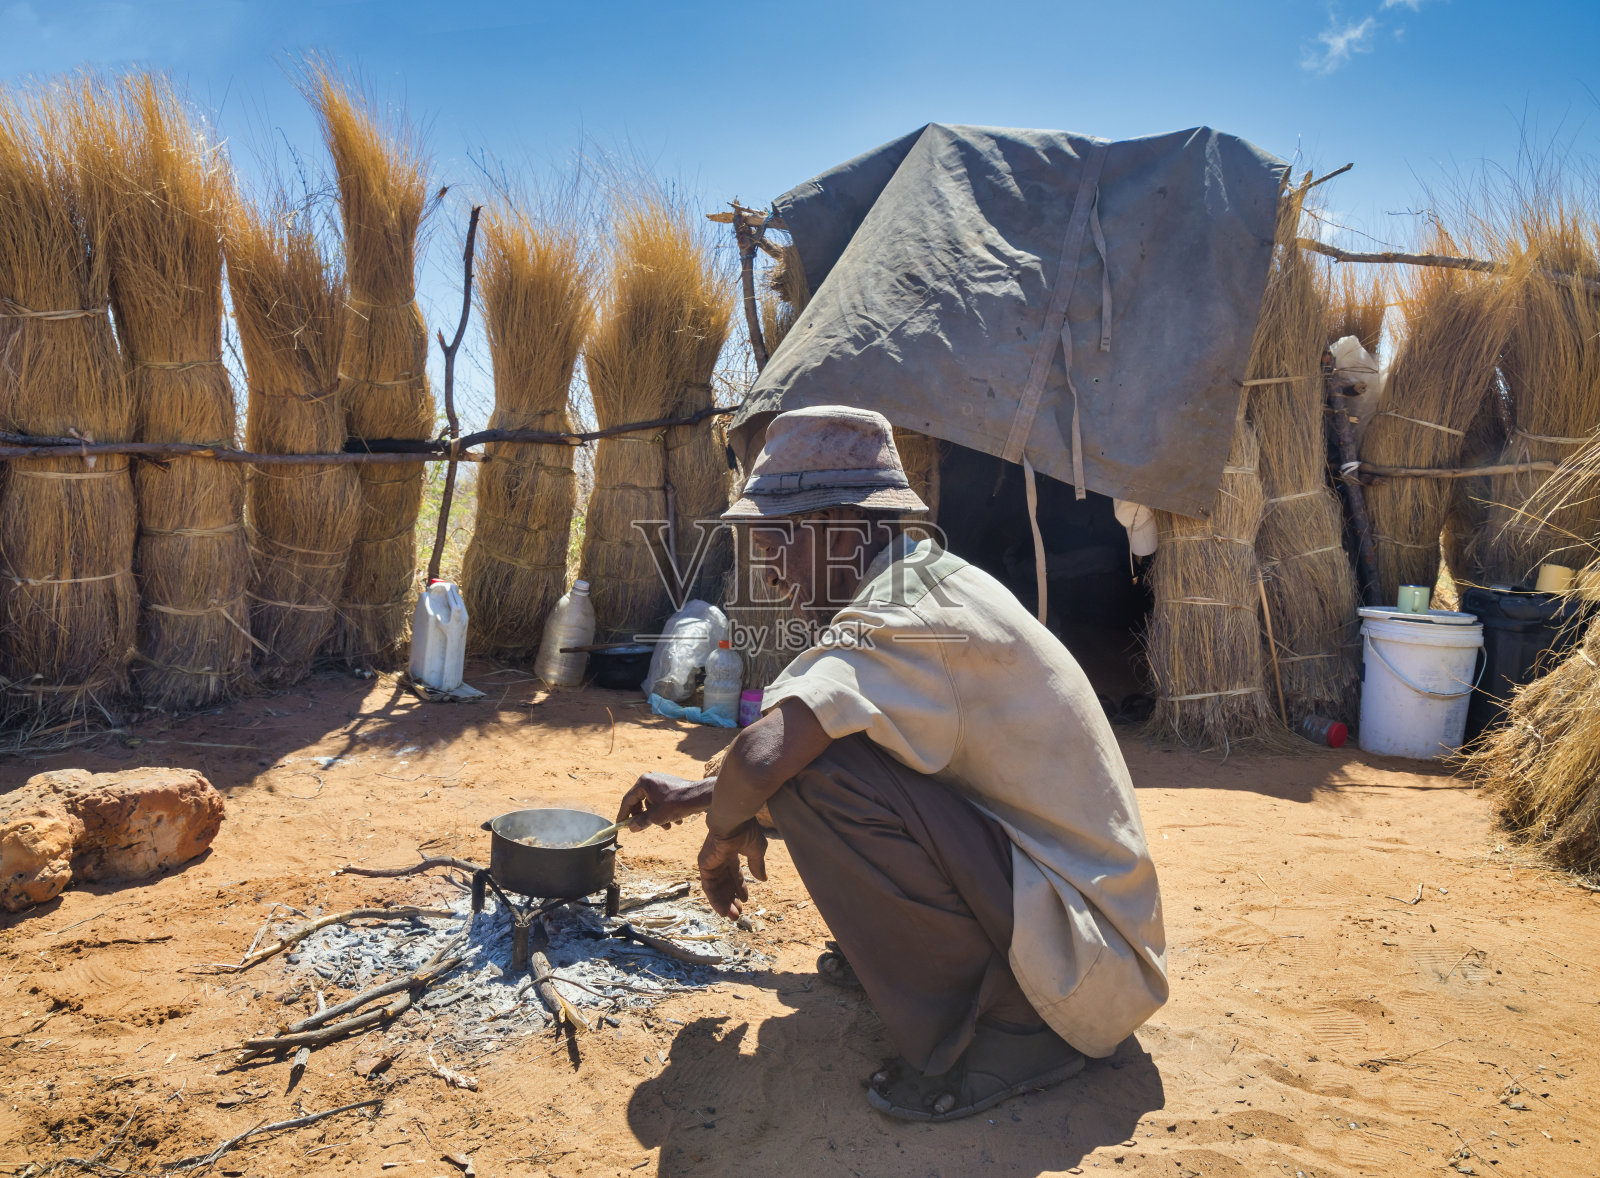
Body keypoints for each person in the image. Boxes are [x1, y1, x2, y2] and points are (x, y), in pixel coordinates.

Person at [616, 405, 1167, 1123]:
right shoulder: (920, 581)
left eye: (779, 540)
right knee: (818, 751)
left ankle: (1019, 1030)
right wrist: (697, 794)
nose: (770, 569)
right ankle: (954, 974)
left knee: (812, 770)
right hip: (1087, 929)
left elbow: (764, 755)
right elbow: (775, 753)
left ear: (840, 531)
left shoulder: (901, 614)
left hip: (1089, 965)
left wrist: (722, 836)